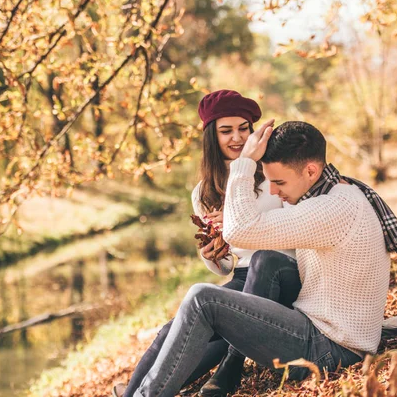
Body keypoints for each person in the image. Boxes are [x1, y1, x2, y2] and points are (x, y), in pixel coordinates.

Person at [130, 120, 397, 397]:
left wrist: (244, 161)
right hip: (329, 335)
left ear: (311, 170)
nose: (274, 191)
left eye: (278, 181)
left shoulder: (331, 209)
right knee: (268, 259)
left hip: (328, 348)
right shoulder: (338, 192)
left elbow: (239, 230)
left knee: (203, 299)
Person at [114, 90, 295, 397]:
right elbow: (225, 265)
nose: (237, 138)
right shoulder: (203, 192)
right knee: (173, 330)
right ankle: (134, 393)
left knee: (214, 329)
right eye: (226, 131)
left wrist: (240, 223)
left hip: (279, 273)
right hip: (241, 277)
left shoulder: (271, 174)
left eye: (243, 128)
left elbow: (297, 229)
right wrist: (212, 255)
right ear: (212, 136)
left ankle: (221, 374)